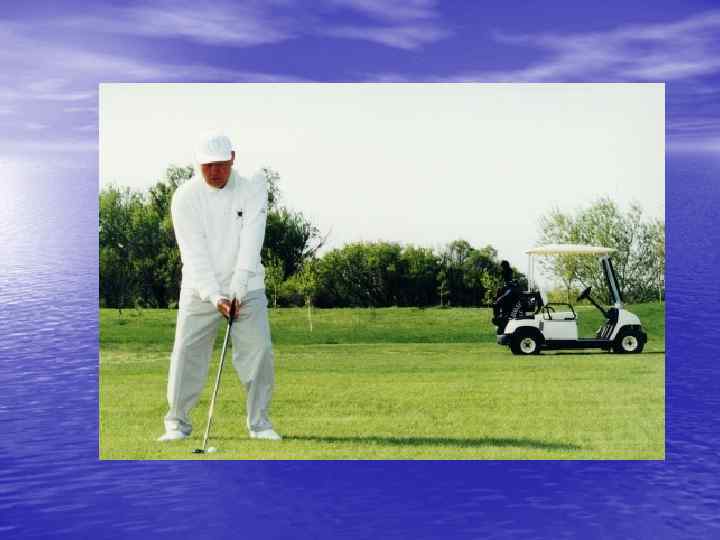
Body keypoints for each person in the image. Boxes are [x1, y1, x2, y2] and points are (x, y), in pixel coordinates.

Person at [157, 132, 281, 442]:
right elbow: (193, 254)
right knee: (186, 352)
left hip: (248, 284)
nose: (214, 171)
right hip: (199, 287)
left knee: (260, 352)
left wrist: (238, 287)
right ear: (198, 163)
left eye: (221, 164)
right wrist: (215, 296)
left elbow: (252, 241)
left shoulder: (252, 189)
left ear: (233, 159)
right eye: (208, 165)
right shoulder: (185, 197)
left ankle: (259, 424)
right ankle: (177, 424)